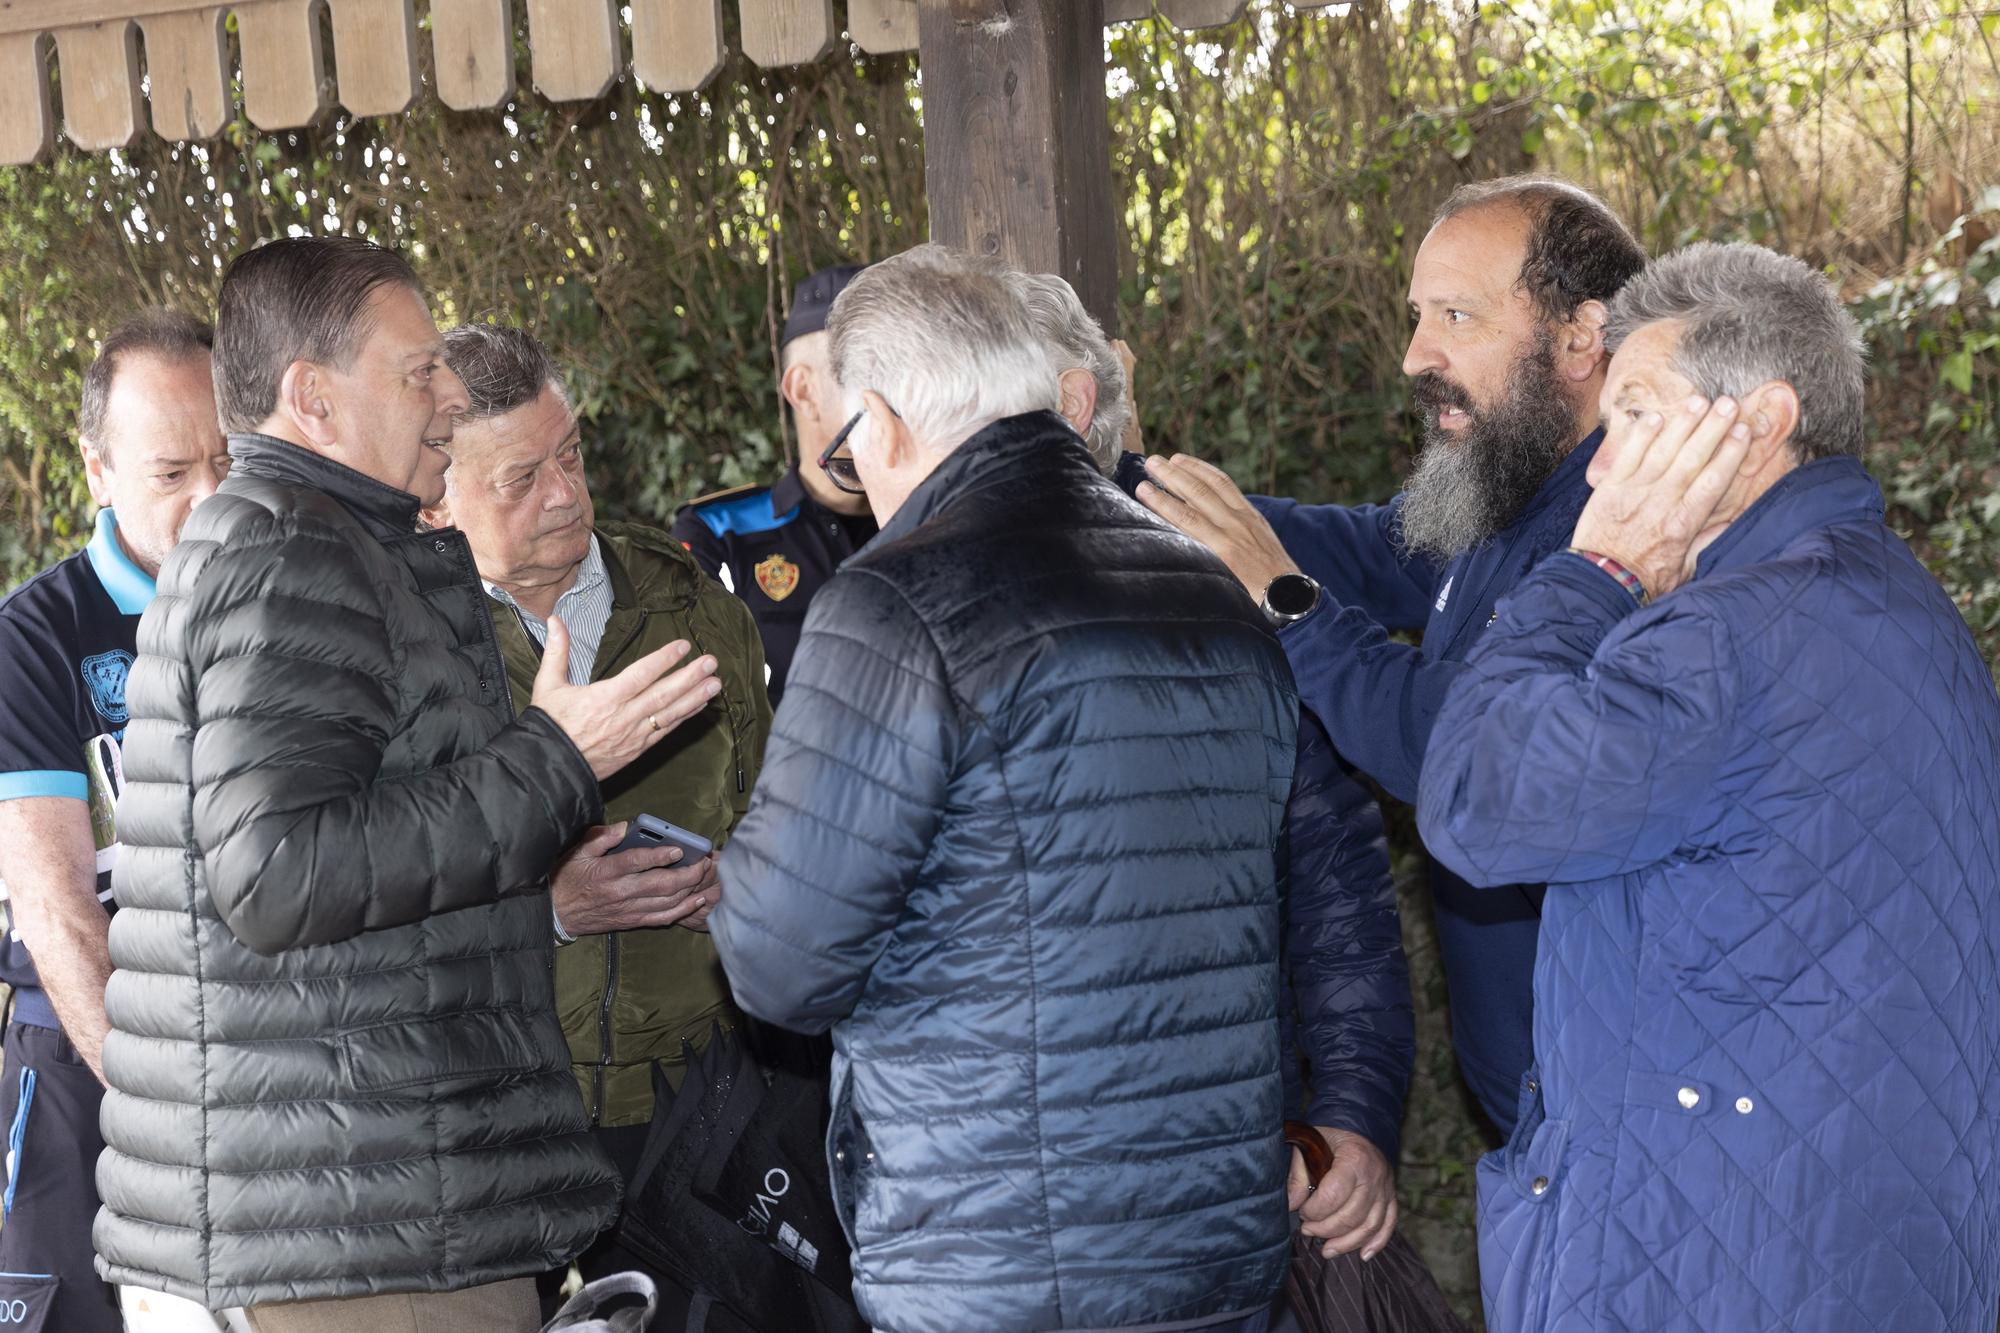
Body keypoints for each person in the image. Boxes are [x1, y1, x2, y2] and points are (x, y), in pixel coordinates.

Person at [94, 237, 726, 1332]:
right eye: (418, 370)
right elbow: (279, 868)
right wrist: (557, 759)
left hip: (360, 1203)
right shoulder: (291, 552)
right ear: (313, 399)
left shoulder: (330, 542)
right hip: (341, 1230)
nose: (446, 396)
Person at [708, 245, 1300, 1333]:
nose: (861, 483)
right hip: (1217, 1237)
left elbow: (775, 961)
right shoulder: (1210, 587)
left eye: (850, 453)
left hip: (1002, 1253)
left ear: (879, 422)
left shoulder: (893, 600)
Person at [1418, 242, 2000, 1332]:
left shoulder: (1728, 638)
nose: (1596, 468)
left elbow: (1476, 804)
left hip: (1708, 1262)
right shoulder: (1891, 598)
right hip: (1842, 1239)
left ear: (1762, 421)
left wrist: (1592, 576)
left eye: (1632, 414)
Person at [1135, 176, 1647, 1136]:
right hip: (1539, 1121)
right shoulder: (1513, 489)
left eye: (1457, 314)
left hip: (1613, 1120)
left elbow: (1453, 743)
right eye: (1417, 316)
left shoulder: (1622, 537)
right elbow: (1371, 551)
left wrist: (1286, 601)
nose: (1417, 356)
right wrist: (1132, 479)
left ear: (1583, 336)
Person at [1013, 266, 1414, 1261]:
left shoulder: (1218, 576)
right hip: (1007, 1211)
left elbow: (1333, 884)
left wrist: (1354, 1116)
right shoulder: (901, 612)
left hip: (1229, 1182)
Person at [424, 322, 773, 1317]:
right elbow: (366, 892)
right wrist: (551, 910)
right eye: (521, 477)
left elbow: (781, 808)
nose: (567, 493)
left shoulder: (693, 608)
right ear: (439, 495)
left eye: (569, 454)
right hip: (495, 1124)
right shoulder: (407, 646)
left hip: (702, 1106)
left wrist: (742, 877)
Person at [0, 310, 227, 1333]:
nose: (214, 499)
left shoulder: (287, 602)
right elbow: (58, 917)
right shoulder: (38, 637)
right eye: (172, 473)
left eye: (229, 460)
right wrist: (170, 1118)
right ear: (98, 471)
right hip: (90, 1054)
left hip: (262, 1055)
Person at [674, 263, 879, 704]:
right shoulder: (721, 532)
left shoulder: (938, 517)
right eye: (868, 366)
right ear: (803, 390)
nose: (891, 388)